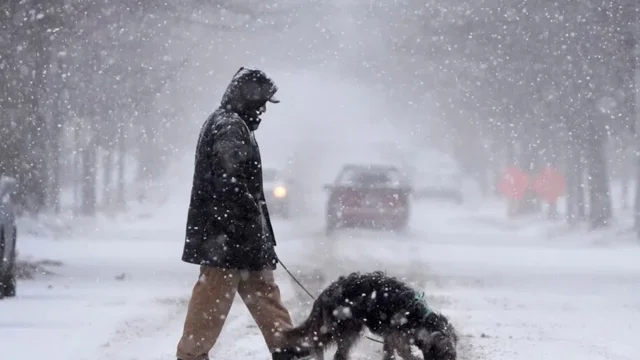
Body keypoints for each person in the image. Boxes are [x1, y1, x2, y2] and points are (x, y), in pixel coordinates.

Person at [176, 67, 308, 360]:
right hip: (226, 239)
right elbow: (229, 180)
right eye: (259, 103)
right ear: (245, 98)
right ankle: (191, 356)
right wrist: (248, 217)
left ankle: (286, 350)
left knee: (264, 294)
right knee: (211, 303)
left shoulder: (231, 123)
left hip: (239, 239)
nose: (262, 110)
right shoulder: (229, 126)